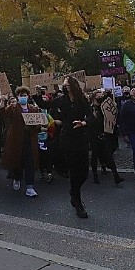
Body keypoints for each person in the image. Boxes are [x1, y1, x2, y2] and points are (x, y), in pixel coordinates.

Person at [55, 77, 94, 218]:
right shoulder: (61, 100)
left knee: (83, 171)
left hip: (81, 138)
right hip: (67, 139)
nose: (65, 86)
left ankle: (73, 190)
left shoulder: (81, 100)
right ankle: (78, 203)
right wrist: (35, 91)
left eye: (67, 83)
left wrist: (83, 123)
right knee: (73, 171)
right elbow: (45, 105)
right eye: (64, 84)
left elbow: (90, 116)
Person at [1, 87, 40, 198]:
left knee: (30, 162)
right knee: (17, 159)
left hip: (30, 139)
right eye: (21, 95)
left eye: (25, 95)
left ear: (28, 96)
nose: (23, 97)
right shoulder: (13, 108)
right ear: (17, 97)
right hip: (16, 139)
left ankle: (30, 186)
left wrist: (35, 126)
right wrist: (3, 101)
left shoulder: (33, 109)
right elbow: (3, 114)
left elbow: (39, 124)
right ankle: (17, 178)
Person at [88, 91, 123, 185]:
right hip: (95, 136)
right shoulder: (90, 109)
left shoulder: (103, 108)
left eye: (101, 96)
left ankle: (116, 176)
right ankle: (95, 175)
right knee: (95, 156)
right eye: (98, 97)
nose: (100, 98)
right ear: (94, 98)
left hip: (105, 134)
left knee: (108, 155)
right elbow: (90, 122)